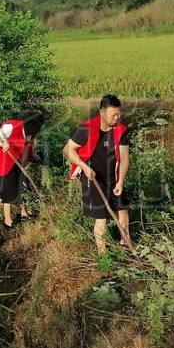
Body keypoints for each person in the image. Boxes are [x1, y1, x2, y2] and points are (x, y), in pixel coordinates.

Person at [63, 94, 133, 253]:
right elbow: (68, 150)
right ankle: (103, 254)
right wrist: (83, 166)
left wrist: (120, 181)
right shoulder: (86, 129)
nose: (117, 117)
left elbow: (124, 159)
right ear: (102, 112)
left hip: (113, 178)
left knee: (122, 209)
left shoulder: (120, 132)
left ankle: (125, 243)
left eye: (118, 114)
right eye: (113, 114)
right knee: (101, 218)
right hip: (92, 179)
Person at [0, 109, 44, 230]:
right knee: (10, 191)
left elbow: (27, 145)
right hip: (0, 163)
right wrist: (2, 144)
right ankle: (8, 221)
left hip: (17, 162)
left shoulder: (30, 132)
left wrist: (33, 154)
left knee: (23, 185)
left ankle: (23, 213)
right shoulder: (11, 126)